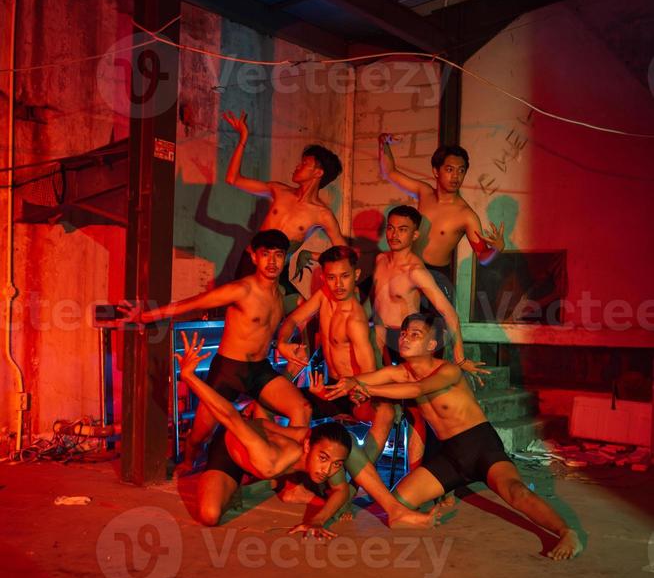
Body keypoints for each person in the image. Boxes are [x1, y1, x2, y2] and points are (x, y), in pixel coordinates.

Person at [327, 313, 582, 560]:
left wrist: (365, 388)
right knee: (397, 505)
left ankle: (566, 533)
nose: (405, 338)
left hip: (481, 446)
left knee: (516, 492)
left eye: (415, 334)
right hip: (450, 455)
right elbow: (356, 381)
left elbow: (417, 389)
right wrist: (346, 387)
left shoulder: (448, 371)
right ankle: (441, 497)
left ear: (432, 344)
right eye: (404, 334)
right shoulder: (401, 372)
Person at [176, 331, 438, 531]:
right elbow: (229, 415)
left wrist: (318, 521)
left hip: (274, 443)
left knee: (345, 447)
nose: (328, 470)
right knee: (209, 516)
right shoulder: (270, 456)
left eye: (335, 464)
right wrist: (190, 377)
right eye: (324, 460)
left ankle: (393, 509)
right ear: (306, 446)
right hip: (231, 450)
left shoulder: (325, 457)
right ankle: (248, 486)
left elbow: (341, 491)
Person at [123, 229, 311, 467]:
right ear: (255, 257)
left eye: (278, 255)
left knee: (301, 407)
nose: (272, 261)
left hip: (261, 370)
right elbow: (192, 303)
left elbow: (303, 313)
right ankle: (189, 461)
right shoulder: (241, 289)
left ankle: (290, 468)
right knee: (200, 435)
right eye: (266, 254)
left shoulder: (282, 294)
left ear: (285, 259)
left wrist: (289, 343)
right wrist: (145, 316)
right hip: (229, 371)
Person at [277, 245, 395, 463]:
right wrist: (282, 343)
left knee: (386, 413)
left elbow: (368, 375)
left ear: (356, 275)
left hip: (353, 392)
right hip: (329, 386)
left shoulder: (355, 320)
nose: (338, 285)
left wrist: (356, 398)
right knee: (277, 395)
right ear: (323, 277)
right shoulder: (323, 296)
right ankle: (293, 472)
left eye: (345, 277)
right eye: (331, 277)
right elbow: (293, 319)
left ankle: (359, 478)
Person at [222, 110, 347, 293]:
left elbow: (345, 253)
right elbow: (233, 179)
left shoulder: (322, 214)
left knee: (281, 311)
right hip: (251, 261)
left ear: (318, 173)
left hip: (276, 271)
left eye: (304, 163)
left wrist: (312, 255)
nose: (297, 166)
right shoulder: (279, 191)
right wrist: (243, 138)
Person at [378, 136, 505, 301]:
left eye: (461, 170)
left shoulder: (466, 215)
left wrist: (497, 249)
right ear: (436, 171)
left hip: (435, 276)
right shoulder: (424, 192)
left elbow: (483, 258)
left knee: (431, 325)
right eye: (450, 169)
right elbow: (389, 172)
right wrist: (383, 143)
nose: (456, 176)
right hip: (407, 269)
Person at [373, 205, 485, 377]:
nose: (394, 235)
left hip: (405, 340)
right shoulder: (380, 260)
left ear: (415, 235)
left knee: (408, 398)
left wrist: (459, 357)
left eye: (402, 230)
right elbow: (375, 303)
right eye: (390, 228)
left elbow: (449, 313)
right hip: (380, 338)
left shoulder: (415, 271)